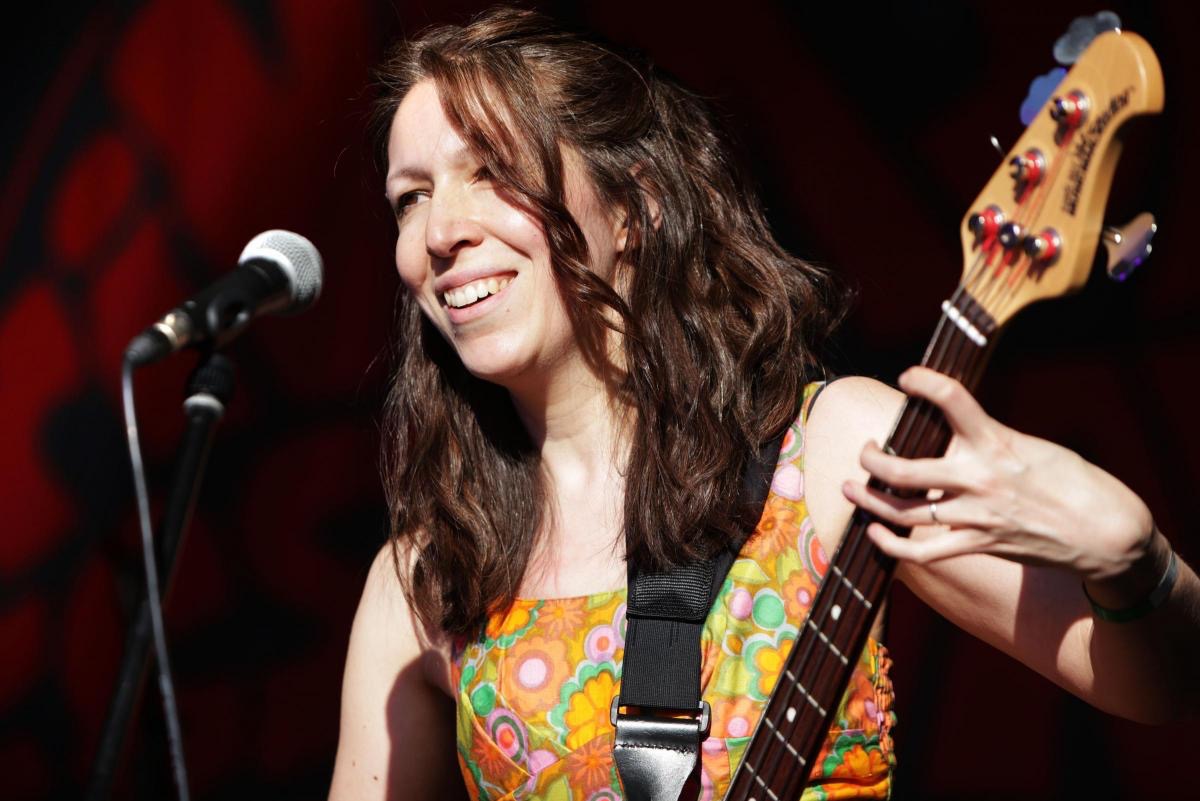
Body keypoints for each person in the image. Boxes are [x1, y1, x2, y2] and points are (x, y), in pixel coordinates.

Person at [328, 8, 1200, 800]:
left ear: (634, 204)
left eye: (491, 171)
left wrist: (1137, 563)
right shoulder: (425, 580)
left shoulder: (833, 450)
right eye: (412, 197)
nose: (440, 232)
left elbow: (1163, 683)